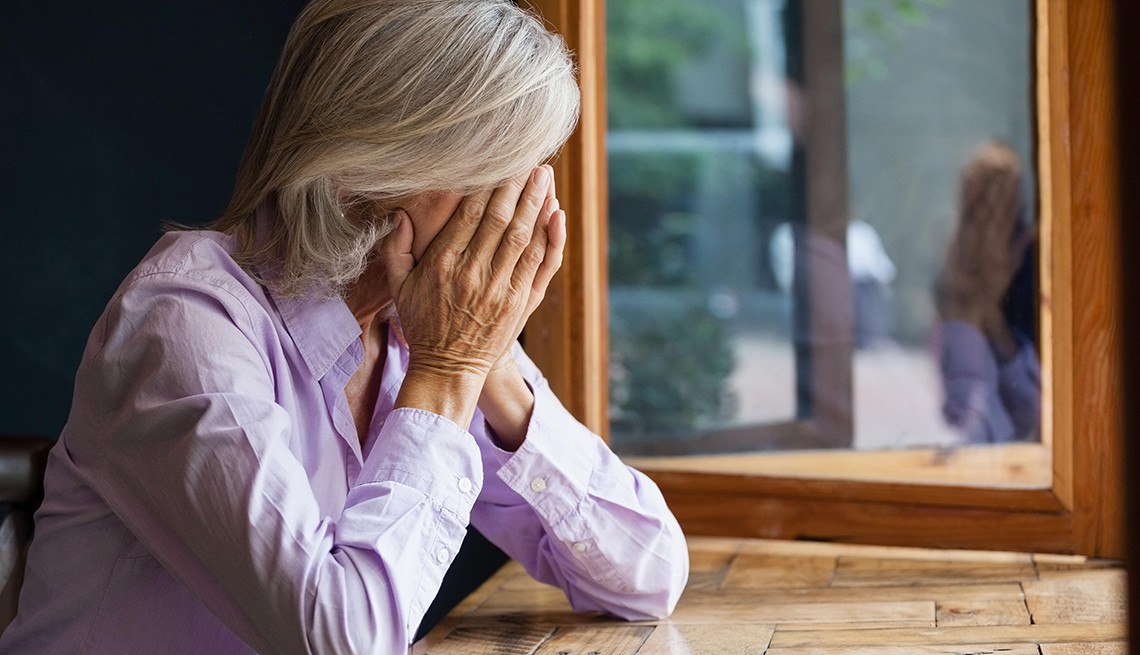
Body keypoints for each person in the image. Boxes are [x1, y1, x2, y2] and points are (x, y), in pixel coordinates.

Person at [0, 2, 689, 653]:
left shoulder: (418, 325)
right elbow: (339, 637)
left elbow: (648, 569)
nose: (518, 211)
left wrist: (491, 369)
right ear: (376, 164)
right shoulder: (183, 325)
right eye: (495, 172)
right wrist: (450, 372)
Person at [936, 142, 1041, 444]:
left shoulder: (1032, 256)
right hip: (986, 432)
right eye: (982, 192)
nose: (989, 206)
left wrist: (993, 322)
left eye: (999, 192)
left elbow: (1029, 406)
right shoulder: (957, 260)